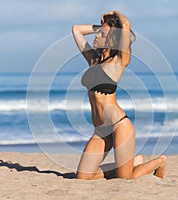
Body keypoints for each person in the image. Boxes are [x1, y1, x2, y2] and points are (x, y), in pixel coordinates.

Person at [72, 10, 166, 180]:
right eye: (98, 32)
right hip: (100, 131)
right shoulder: (93, 60)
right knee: (83, 177)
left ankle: (159, 162)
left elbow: (126, 25)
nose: (97, 35)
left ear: (112, 39)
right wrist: (101, 27)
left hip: (119, 125)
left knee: (126, 178)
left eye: (102, 34)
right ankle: (133, 161)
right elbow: (76, 29)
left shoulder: (119, 61)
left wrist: (114, 13)